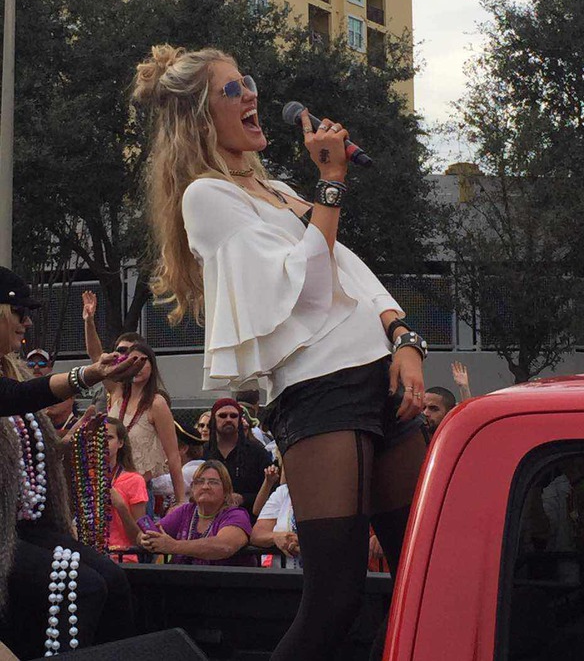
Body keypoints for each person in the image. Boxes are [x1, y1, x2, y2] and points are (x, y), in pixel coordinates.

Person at [137, 45, 430, 660]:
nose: (251, 94)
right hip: (321, 390)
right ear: (199, 117)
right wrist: (331, 185)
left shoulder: (275, 188)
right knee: (335, 600)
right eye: (232, 89)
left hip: (376, 370)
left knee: (422, 575)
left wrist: (402, 335)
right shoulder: (206, 198)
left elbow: (346, 264)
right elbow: (309, 285)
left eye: (247, 81)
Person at [0, 267, 146, 659]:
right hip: (3, 537)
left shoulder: (14, 370)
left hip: (30, 530)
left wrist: (65, 445)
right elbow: (15, 397)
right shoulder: (16, 384)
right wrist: (90, 374)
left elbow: (27, 448)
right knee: (83, 587)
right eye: (20, 313)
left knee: (113, 580)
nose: (27, 323)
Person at [107, 342, 186, 511]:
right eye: (132, 361)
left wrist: (180, 501)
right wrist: (89, 326)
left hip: (139, 491)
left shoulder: (156, 403)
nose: (137, 366)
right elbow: (95, 356)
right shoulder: (117, 398)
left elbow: (173, 455)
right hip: (110, 487)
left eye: (142, 361)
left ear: (152, 366)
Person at [139, 460, 254, 566]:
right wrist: (145, 538)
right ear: (192, 488)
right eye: (199, 482)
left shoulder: (236, 515)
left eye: (213, 482)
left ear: (226, 490)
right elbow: (150, 533)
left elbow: (225, 546)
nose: (205, 487)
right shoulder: (185, 511)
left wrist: (174, 546)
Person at [203, 398, 272, 517]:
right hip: (210, 517)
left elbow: (272, 491)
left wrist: (243, 498)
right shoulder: (203, 452)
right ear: (214, 420)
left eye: (234, 416)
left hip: (248, 518)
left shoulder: (257, 452)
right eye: (223, 416)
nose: (228, 419)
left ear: (239, 420)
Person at [106, 417, 148, 561]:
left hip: (123, 558)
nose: (103, 442)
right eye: (98, 438)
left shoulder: (134, 480)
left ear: (121, 443)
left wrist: (121, 507)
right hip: (90, 558)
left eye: (109, 437)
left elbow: (140, 539)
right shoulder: (84, 478)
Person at [152, 420, 205, 501]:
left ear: (183, 449)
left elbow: (160, 485)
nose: (162, 447)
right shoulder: (174, 468)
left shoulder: (195, 470)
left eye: (167, 443)